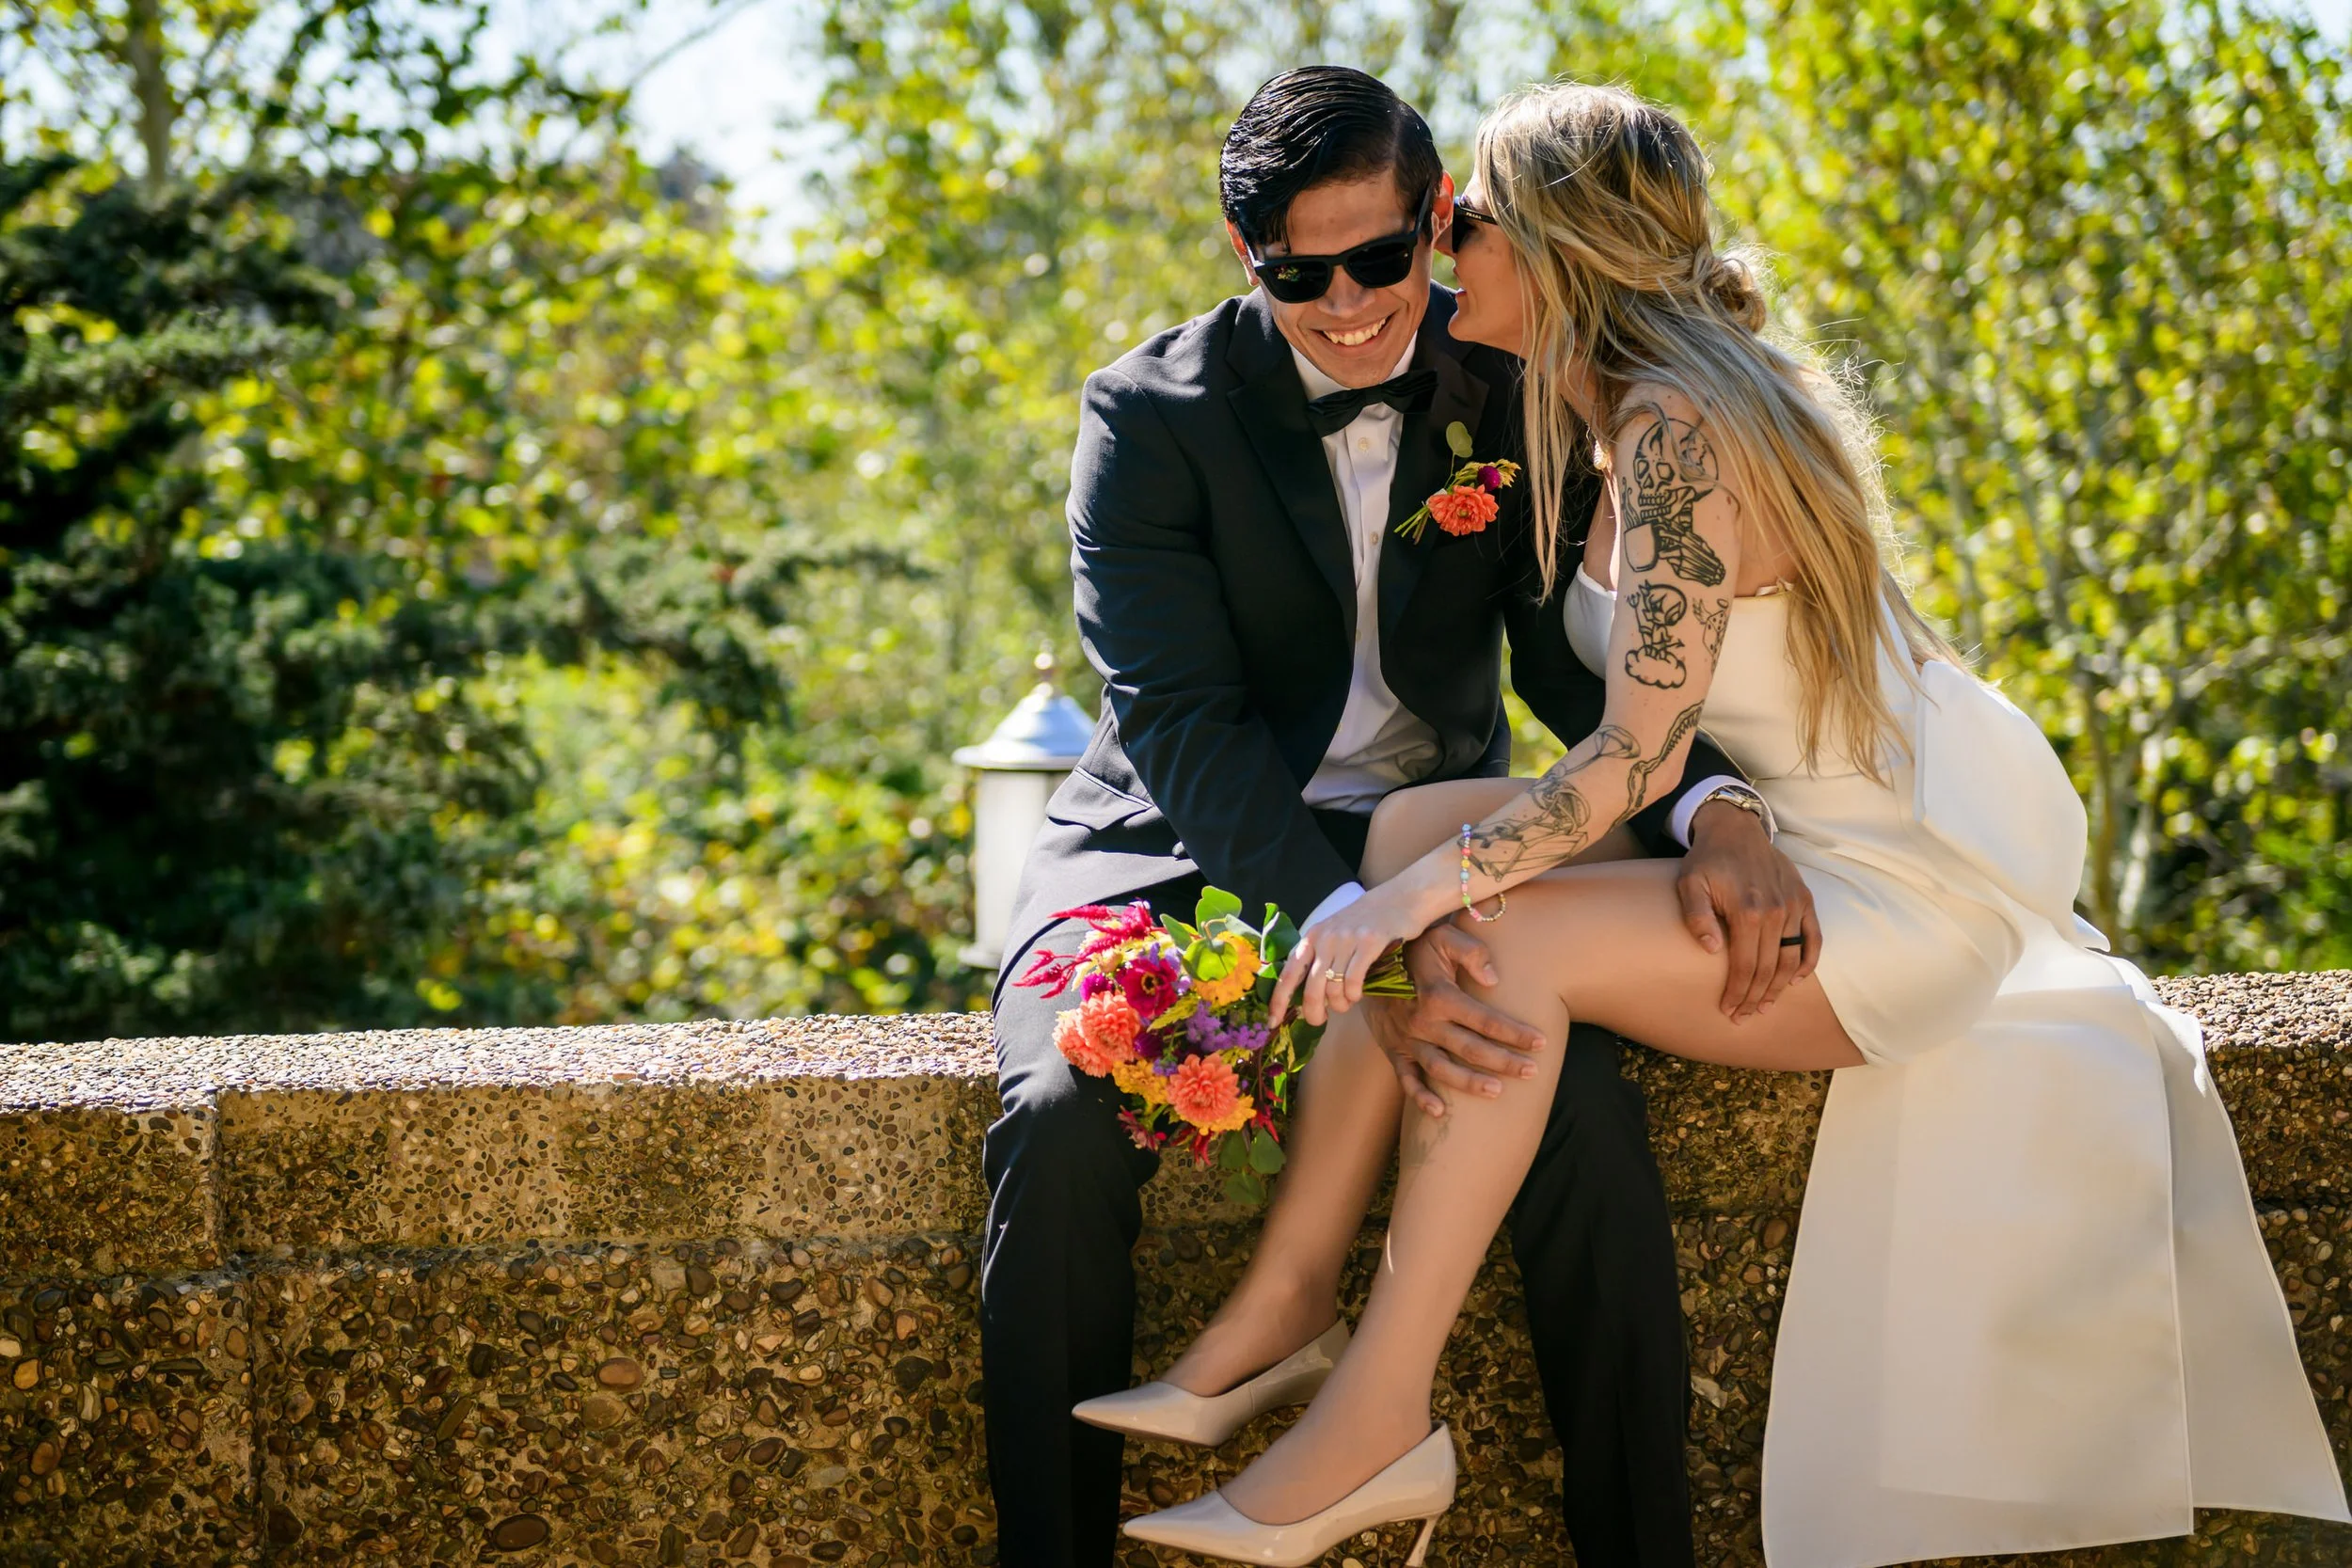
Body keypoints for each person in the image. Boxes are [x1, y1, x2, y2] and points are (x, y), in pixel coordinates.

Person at [1111, 80, 2352, 1568]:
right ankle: (1289, 1298)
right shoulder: (1620, 403)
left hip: (1886, 890)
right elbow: (1659, 730)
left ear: (1553, 247)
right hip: (1796, 829)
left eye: (1461, 226)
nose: (1440, 264)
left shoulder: (1679, 428)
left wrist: (1406, 913)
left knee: (1476, 930)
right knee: (1406, 836)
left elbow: (1632, 755)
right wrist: (1423, 882)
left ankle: (1379, 1410)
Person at [983, 66, 1818, 1568]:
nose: (1356, 301)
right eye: (1303, 274)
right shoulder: (1144, 415)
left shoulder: (1509, 364)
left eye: (1383, 257)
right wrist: (1349, 943)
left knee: (1583, 1128)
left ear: (1438, 221)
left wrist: (1712, 803)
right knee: (1054, 1124)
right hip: (1183, 848)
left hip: (1446, 844)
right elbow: (1182, 725)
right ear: (1247, 256)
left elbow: (1607, 667)